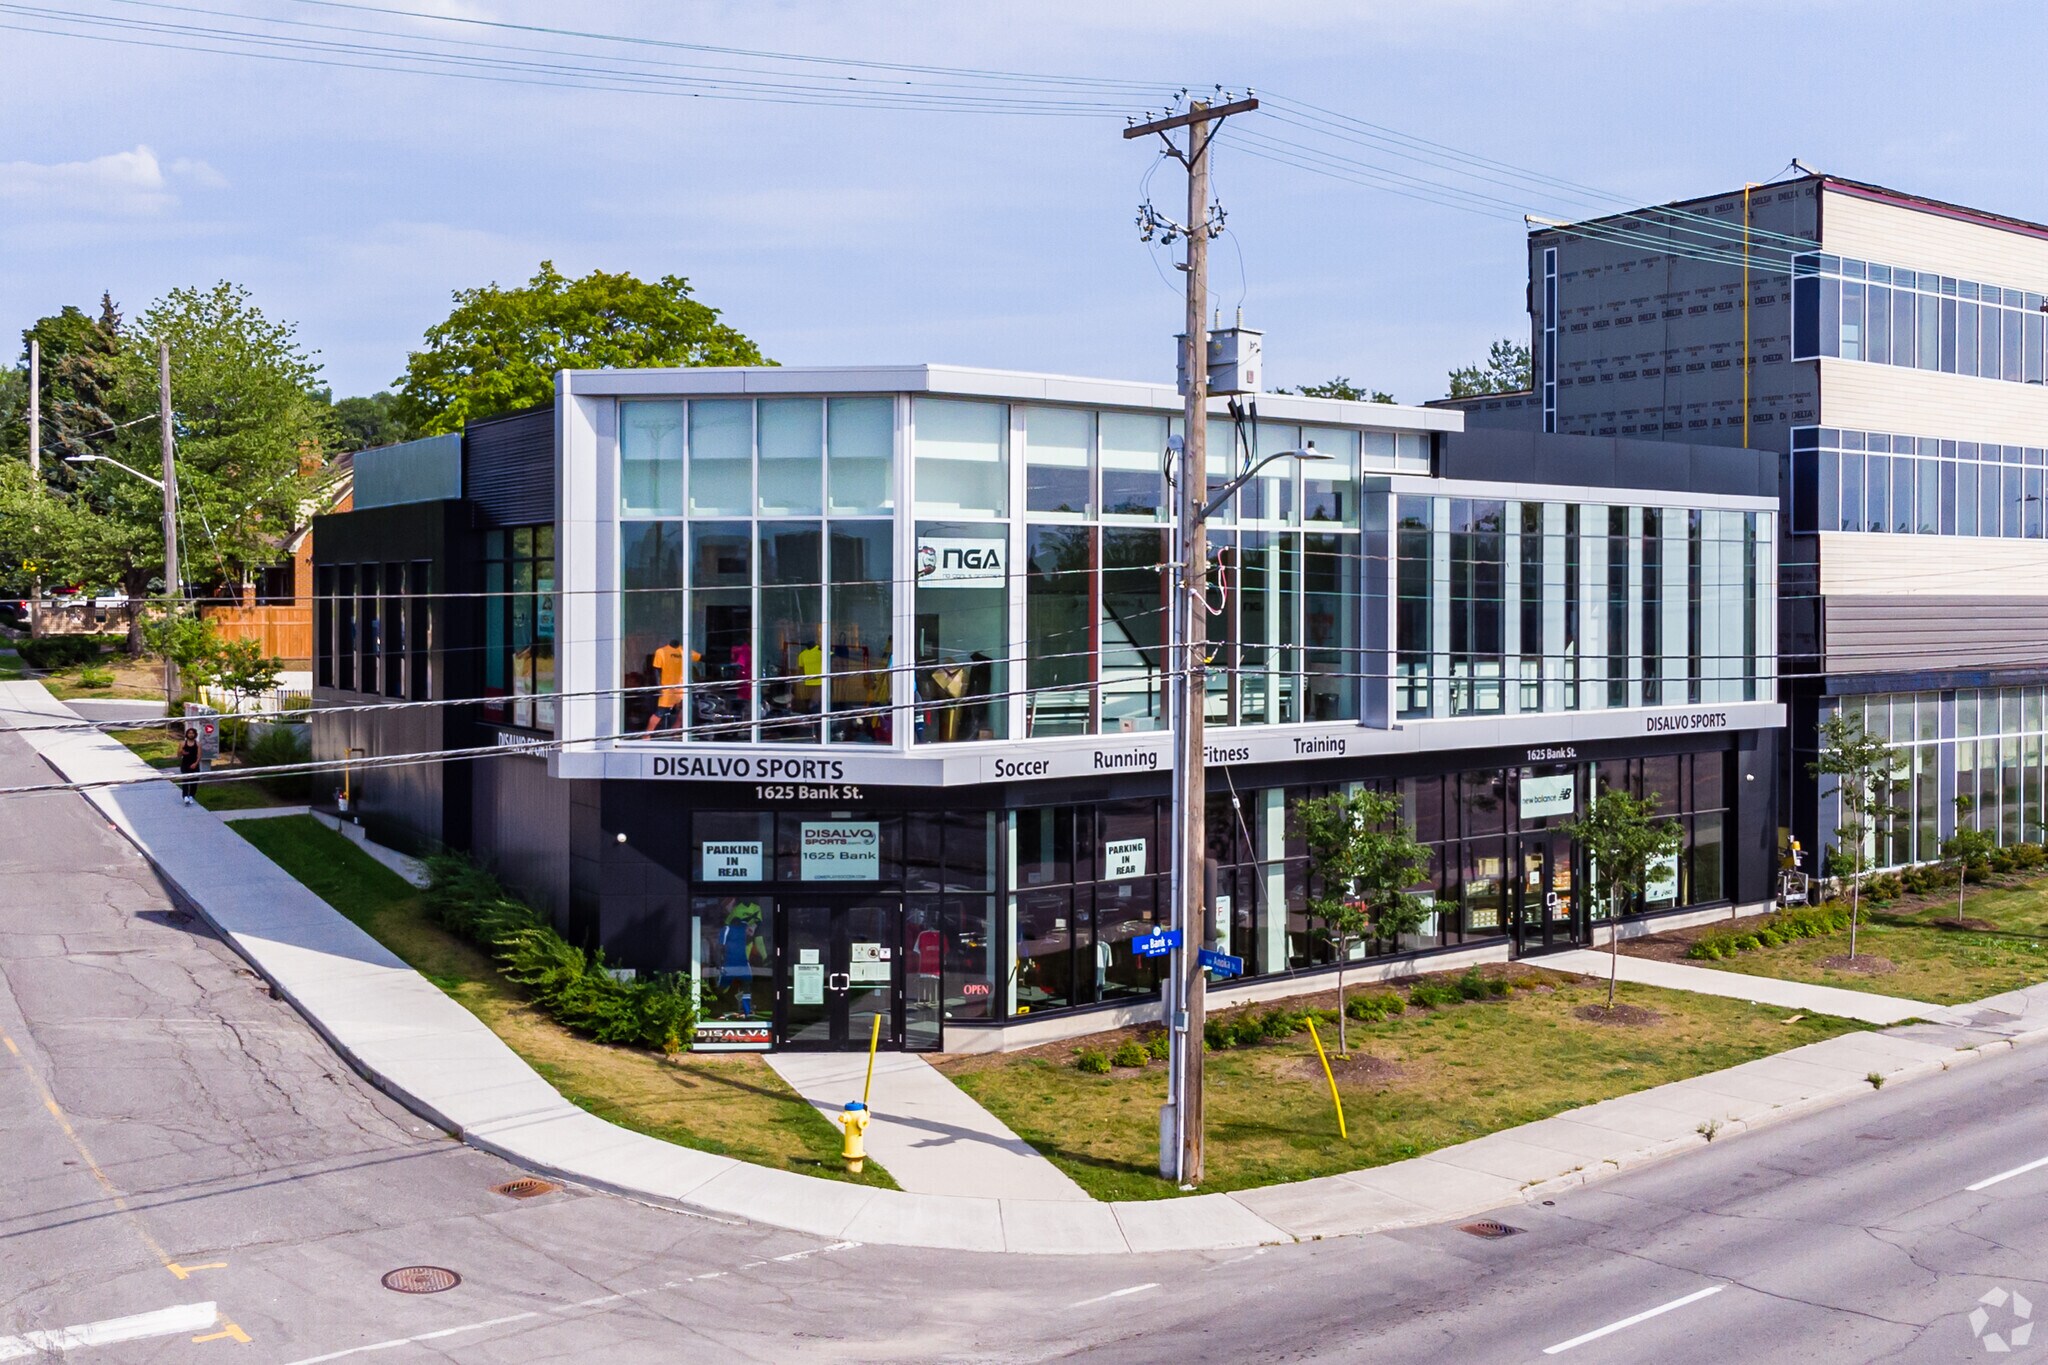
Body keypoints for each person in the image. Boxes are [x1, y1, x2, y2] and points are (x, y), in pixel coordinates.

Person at [646, 638, 687, 733]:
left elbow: (699, 657)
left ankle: (675, 730)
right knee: (661, 712)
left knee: (685, 708)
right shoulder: (661, 652)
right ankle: (647, 734)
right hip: (667, 688)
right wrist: (658, 686)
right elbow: (656, 670)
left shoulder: (684, 651)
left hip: (681, 687)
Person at [175, 726, 200, 806]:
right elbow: (178, 755)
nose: (191, 734)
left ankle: (191, 795)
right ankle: (185, 796)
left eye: (192, 733)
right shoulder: (182, 743)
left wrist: (195, 763)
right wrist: (181, 752)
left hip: (194, 764)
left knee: (194, 781)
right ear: (187, 734)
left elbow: (199, 756)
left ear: (195, 734)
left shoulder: (198, 744)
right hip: (185, 764)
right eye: (189, 733)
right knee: (185, 781)